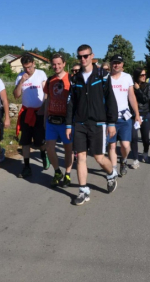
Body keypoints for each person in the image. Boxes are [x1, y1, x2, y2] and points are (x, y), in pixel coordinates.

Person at [66, 44, 118, 205]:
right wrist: (69, 125)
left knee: (99, 158)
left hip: (98, 123)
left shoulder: (102, 75)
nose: (83, 59)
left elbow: (110, 100)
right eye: (80, 56)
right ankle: (83, 191)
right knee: (80, 157)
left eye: (86, 56)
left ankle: (111, 174)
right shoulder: (75, 78)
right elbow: (71, 103)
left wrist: (111, 123)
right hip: (80, 123)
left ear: (92, 56)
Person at [13, 54, 50, 178]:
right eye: (25, 67)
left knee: (40, 140)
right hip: (26, 112)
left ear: (34, 63)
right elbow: (16, 95)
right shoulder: (20, 76)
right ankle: (27, 166)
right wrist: (22, 81)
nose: (27, 70)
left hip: (39, 112)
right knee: (25, 141)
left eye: (29, 67)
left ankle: (44, 154)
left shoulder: (41, 74)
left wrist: (44, 108)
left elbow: (46, 92)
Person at [106, 54, 140, 176]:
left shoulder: (127, 77)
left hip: (125, 117)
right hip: (110, 118)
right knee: (112, 145)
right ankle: (114, 169)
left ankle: (124, 160)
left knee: (126, 146)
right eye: (114, 62)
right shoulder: (106, 78)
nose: (116, 65)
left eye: (119, 63)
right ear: (111, 64)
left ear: (122, 65)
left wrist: (137, 114)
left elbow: (131, 96)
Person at [43, 53, 74, 188]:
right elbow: (48, 99)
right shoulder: (50, 80)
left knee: (68, 149)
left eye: (59, 64)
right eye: (54, 64)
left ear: (64, 64)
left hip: (66, 121)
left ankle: (67, 173)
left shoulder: (72, 79)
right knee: (49, 148)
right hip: (51, 120)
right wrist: (44, 119)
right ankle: (57, 172)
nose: (56, 66)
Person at [130, 68, 150, 167]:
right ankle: (135, 159)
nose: (144, 76)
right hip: (134, 115)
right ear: (136, 76)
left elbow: (145, 99)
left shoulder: (148, 86)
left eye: (145, 74)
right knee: (134, 137)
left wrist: (138, 89)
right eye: (141, 75)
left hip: (145, 113)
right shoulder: (131, 86)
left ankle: (145, 153)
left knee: (145, 138)